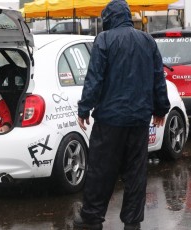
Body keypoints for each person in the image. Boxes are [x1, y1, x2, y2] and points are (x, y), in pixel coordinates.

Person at [75, 0, 171, 230]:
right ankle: (132, 222)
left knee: (101, 170)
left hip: (110, 119)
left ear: (109, 18)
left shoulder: (104, 40)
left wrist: (84, 108)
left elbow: (94, 78)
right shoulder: (147, 41)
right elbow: (158, 77)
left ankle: (91, 218)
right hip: (139, 120)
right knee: (135, 172)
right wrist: (161, 108)